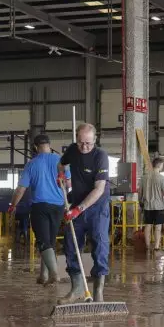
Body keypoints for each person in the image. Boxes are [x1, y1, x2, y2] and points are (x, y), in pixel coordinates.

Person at [57, 123, 111, 304]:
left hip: (97, 207)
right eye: (81, 143)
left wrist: (77, 210)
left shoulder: (100, 156)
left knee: (100, 245)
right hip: (77, 206)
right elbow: (61, 164)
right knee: (71, 245)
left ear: (95, 140)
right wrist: (61, 175)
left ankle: (98, 291)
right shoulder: (73, 150)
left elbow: (99, 189)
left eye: (88, 143)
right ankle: (77, 288)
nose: (84, 147)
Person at [9, 134, 66, 286]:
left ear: (35, 147)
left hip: (40, 206)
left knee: (43, 241)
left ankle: (54, 274)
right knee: (50, 242)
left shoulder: (31, 164)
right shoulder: (60, 161)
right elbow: (68, 183)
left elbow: (21, 189)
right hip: (58, 206)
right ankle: (44, 275)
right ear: (49, 144)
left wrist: (13, 205)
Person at [139, 157, 164, 251]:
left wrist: (141, 202)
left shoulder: (144, 178)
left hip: (147, 206)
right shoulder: (162, 178)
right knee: (157, 227)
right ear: (160, 165)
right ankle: (156, 247)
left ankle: (148, 246)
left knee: (148, 226)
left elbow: (140, 192)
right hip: (158, 206)